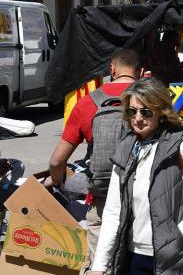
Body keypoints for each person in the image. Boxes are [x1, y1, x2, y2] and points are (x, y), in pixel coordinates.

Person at [90, 78, 183, 275]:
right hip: (133, 256)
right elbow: (113, 211)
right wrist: (99, 266)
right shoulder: (125, 149)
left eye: (146, 111)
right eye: (132, 111)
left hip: (175, 258)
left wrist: (178, 237)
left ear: (161, 112)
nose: (138, 118)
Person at [47, 49, 142, 273]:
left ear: (112, 69)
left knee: (101, 262)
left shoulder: (89, 102)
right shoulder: (152, 101)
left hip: (102, 198)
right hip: (144, 199)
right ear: (140, 73)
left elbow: (56, 161)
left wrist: (58, 182)